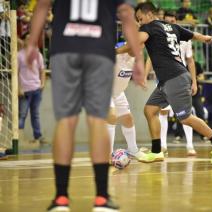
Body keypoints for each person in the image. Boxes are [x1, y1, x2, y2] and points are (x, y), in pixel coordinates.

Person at [26, 1, 144, 211]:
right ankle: (101, 198)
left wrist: (32, 44)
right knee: (98, 120)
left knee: (66, 121)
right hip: (99, 51)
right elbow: (126, 14)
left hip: (65, 50)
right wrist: (140, 61)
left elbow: (42, 5)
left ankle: (61, 198)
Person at [117, 2, 212, 164]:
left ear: (149, 14)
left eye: (140, 19)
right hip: (167, 79)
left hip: (174, 78)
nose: (140, 23)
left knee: (185, 118)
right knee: (150, 110)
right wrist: (205, 38)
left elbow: (135, 43)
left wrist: (115, 51)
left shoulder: (149, 28)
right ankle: (156, 151)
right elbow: (193, 35)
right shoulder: (171, 27)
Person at [159, 10, 197, 156]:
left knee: (185, 113)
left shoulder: (185, 39)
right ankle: (163, 145)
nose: (170, 24)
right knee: (163, 111)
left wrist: (194, 82)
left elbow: (190, 61)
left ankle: (190, 145)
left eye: (173, 22)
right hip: (163, 78)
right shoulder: (159, 37)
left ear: (176, 22)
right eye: (167, 22)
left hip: (180, 78)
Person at [107, 42, 145, 160]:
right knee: (112, 117)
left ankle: (133, 150)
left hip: (119, 92)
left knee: (128, 119)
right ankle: (107, 155)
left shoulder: (137, 57)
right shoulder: (117, 52)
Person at [18, 33, 45, 144]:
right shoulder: (18, 55)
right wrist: (18, 88)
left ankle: (38, 137)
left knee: (35, 114)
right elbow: (16, 73)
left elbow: (42, 70)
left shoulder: (38, 55)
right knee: (22, 114)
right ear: (23, 41)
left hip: (36, 89)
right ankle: (18, 138)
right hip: (25, 91)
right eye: (27, 39)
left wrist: (42, 84)